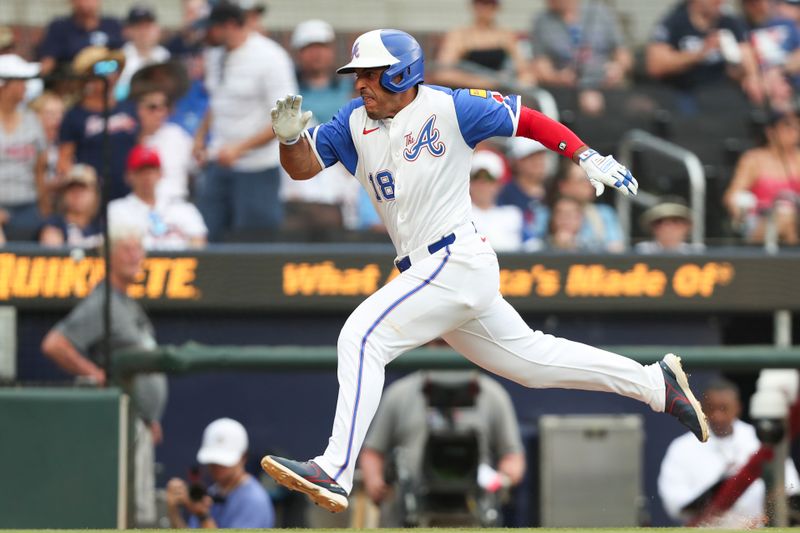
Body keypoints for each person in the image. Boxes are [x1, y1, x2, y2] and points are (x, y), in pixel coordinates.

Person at [260, 28, 707, 514]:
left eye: (371, 73)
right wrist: (288, 139)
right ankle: (653, 384)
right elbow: (303, 167)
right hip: (431, 269)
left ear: (401, 73)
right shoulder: (352, 119)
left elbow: (526, 118)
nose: (361, 83)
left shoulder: (450, 107)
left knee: (362, 337)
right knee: (533, 364)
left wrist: (584, 154)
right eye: (358, 74)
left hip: (453, 258)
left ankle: (335, 469)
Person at [40, 226, 167, 525]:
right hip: (120, 421)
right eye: (127, 249)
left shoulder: (127, 302)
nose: (136, 255)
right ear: (109, 256)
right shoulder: (104, 302)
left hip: (139, 419)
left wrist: (150, 416)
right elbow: (55, 344)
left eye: (139, 248)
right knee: (130, 510)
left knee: (142, 507)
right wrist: (97, 375)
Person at [359, 370, 526, 526]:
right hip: (410, 513)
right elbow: (373, 451)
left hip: (474, 510)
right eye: (440, 342)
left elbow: (512, 456)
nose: (448, 343)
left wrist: (502, 480)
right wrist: (375, 482)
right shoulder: (399, 394)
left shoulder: (493, 394)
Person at [194, 1, 296, 241]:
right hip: (218, 164)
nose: (205, 34)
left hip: (257, 168)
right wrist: (199, 137)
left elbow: (286, 118)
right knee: (207, 235)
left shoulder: (270, 57)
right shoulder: (213, 54)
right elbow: (217, 99)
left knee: (254, 244)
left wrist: (239, 149)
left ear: (229, 26)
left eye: (211, 28)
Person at [658, 378, 800, 527]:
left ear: (738, 408)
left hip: (755, 528)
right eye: (711, 408)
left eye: (724, 408)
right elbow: (674, 504)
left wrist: (770, 510)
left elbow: (791, 489)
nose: (718, 416)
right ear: (701, 408)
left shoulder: (760, 441)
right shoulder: (682, 447)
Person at [282, 19, 359, 239]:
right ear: (298, 53)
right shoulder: (287, 90)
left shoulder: (352, 89)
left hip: (343, 181)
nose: (317, 54)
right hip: (299, 185)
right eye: (309, 48)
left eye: (322, 47)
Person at [646, 0, 761, 111]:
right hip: (685, 95)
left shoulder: (729, 21)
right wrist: (700, 53)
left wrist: (751, 77)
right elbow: (655, 65)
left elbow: (746, 54)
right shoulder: (675, 21)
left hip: (723, 94)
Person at [57, 46, 138, 201]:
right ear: (88, 76)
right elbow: (64, 160)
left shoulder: (130, 107)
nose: (109, 74)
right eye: (101, 68)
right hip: (92, 196)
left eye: (112, 66)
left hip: (129, 193)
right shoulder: (74, 115)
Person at [166, 418, 275, 528]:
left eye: (223, 463)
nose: (217, 467)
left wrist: (203, 516)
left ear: (243, 458)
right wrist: (174, 513)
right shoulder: (213, 492)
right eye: (213, 461)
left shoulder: (254, 500)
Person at [531, 0, 633, 115]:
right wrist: (558, 77)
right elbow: (540, 65)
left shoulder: (600, 12)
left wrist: (618, 68)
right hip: (566, 90)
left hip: (606, 86)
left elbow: (623, 54)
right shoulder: (542, 21)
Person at [723, 110, 800, 245]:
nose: (794, 131)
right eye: (787, 126)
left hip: (796, 220)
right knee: (785, 217)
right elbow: (731, 196)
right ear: (771, 132)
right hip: (761, 221)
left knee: (790, 219)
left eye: (797, 126)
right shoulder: (754, 159)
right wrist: (741, 216)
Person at [110, 144, 207, 250]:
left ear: (161, 173)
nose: (147, 176)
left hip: (181, 265)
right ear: (129, 176)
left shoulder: (183, 208)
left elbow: (199, 245)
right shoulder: (116, 210)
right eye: (141, 171)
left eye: (152, 170)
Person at [433, 0, 535, 90]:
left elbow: (524, 69)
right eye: (483, 3)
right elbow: (443, 73)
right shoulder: (459, 35)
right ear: (474, 5)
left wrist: (522, 81)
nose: (486, 8)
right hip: (469, 94)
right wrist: (483, 83)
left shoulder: (506, 35)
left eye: (491, 3)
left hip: (498, 94)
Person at [0, 54, 46, 241]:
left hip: (28, 207)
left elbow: (40, 169)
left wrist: (44, 212)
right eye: (20, 81)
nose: (25, 86)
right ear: (4, 85)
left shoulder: (32, 120)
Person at [541, 160, 625, 252]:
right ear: (563, 185)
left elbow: (616, 250)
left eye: (591, 179)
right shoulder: (542, 214)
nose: (590, 184)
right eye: (582, 180)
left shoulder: (604, 213)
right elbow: (530, 247)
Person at [739, 0, 800, 111]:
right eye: (753, 3)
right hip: (763, 90)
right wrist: (757, 77)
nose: (761, 6)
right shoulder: (741, 30)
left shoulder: (786, 24)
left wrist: (778, 71)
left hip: (791, 82)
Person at [136, 86, 194, 202]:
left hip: (175, 203)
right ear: (140, 110)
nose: (159, 113)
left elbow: (197, 162)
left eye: (163, 107)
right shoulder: (129, 138)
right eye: (153, 107)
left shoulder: (177, 134)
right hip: (140, 206)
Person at [37, 0, 124, 76]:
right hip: (72, 83)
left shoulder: (112, 26)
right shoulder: (60, 27)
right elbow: (47, 63)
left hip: (107, 83)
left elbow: (123, 58)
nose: (87, 2)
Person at [497, 137, 551, 244]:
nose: (538, 162)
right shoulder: (504, 193)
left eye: (540, 156)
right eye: (531, 157)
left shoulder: (554, 189)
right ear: (515, 161)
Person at [469, 149, 524, 252]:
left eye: (489, 179)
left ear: (499, 184)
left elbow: (533, 246)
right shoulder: (459, 216)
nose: (483, 185)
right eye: (477, 178)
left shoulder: (513, 215)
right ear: (469, 183)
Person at [38, 163, 103, 249]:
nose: (77, 194)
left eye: (83, 188)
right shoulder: (54, 225)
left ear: (95, 194)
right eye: (72, 188)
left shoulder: (101, 226)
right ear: (63, 194)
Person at [116, 5, 171, 101]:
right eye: (139, 27)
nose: (144, 32)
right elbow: (117, 95)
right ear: (128, 31)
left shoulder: (165, 56)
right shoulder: (120, 57)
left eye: (148, 26)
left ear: (156, 29)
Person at [30, 91, 66, 217]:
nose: (58, 119)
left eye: (61, 113)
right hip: (31, 208)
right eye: (50, 113)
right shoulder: (26, 147)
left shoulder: (64, 145)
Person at [635, 197, 704, 254]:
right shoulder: (641, 251)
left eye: (675, 221)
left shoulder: (697, 252)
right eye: (659, 221)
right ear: (651, 227)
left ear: (687, 226)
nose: (667, 227)